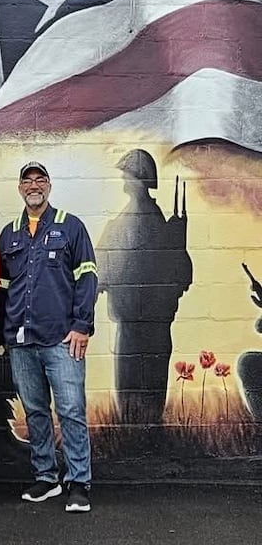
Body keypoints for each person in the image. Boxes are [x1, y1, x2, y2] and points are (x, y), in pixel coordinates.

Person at [0, 162, 97, 513]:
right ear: (20, 188)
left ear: (49, 186)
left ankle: (79, 481)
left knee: (70, 410)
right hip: (21, 341)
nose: (33, 185)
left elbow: (87, 278)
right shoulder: (10, 234)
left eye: (40, 180)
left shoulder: (70, 226)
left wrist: (82, 325)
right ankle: (46, 477)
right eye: (27, 180)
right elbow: (3, 289)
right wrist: (3, 334)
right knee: (35, 410)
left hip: (62, 339)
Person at [96, 149, 192, 424]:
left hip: (144, 324)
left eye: (128, 176)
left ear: (139, 180)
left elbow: (182, 273)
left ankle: (142, 437)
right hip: (138, 322)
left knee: (141, 388)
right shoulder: (137, 223)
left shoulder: (142, 224)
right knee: (137, 390)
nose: (124, 182)